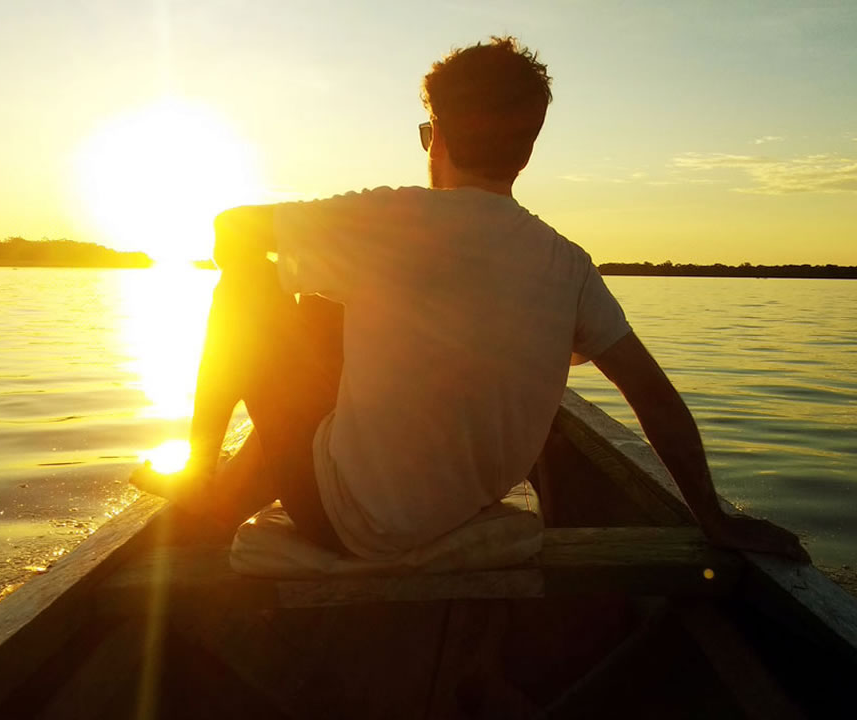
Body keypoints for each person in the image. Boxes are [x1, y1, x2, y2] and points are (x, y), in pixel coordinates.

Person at [132, 36, 808, 563]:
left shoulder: (392, 218)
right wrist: (712, 518)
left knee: (249, 283)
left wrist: (250, 295)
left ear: (440, 135)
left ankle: (200, 473)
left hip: (348, 523)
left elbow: (230, 230)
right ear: (528, 148)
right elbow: (654, 397)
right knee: (326, 313)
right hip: (459, 509)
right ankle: (249, 468)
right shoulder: (568, 264)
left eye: (427, 133)